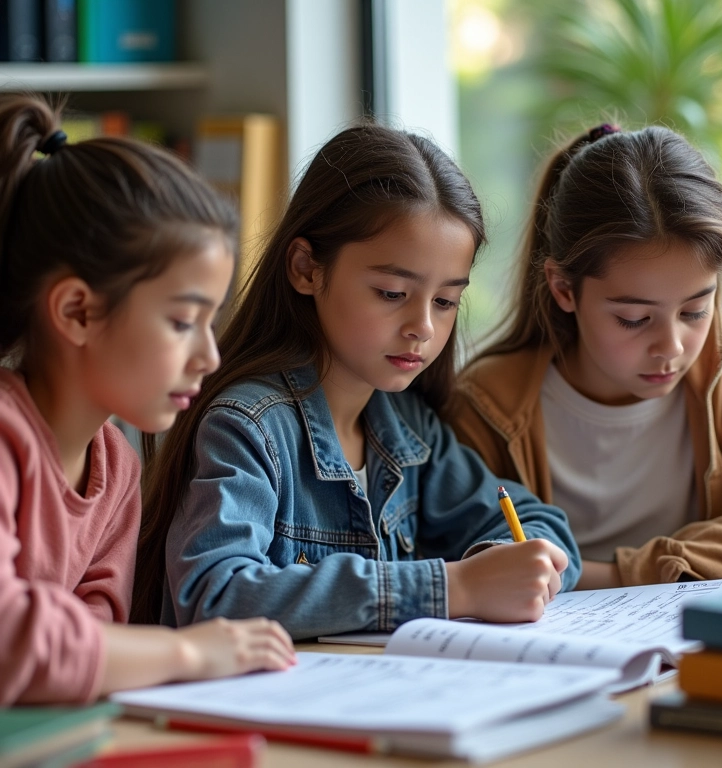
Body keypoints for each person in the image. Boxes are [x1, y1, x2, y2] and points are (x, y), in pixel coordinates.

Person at [132, 123, 582, 639]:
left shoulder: (409, 429)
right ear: (306, 268)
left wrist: (509, 565)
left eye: (445, 301)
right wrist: (454, 587)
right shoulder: (247, 428)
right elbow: (214, 594)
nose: (424, 327)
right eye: (392, 293)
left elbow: (542, 526)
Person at [0, 94, 295, 706]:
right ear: (78, 311)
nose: (209, 357)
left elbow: (91, 652)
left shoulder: (116, 469)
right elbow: (13, 642)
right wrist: (189, 652)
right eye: (183, 322)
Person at [447, 123, 722, 589]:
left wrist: (621, 573)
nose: (673, 347)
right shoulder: (487, 404)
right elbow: (463, 553)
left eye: (697, 310)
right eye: (635, 319)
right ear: (564, 289)